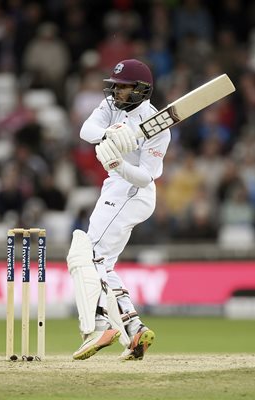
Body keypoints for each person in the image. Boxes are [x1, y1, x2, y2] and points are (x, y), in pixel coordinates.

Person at [66, 59, 171, 361]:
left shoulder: (158, 126)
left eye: (123, 87)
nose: (116, 92)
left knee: (87, 253)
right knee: (103, 264)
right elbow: (87, 129)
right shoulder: (112, 107)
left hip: (133, 191)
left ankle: (100, 325)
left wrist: (120, 166)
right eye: (115, 86)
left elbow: (147, 175)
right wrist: (110, 133)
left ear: (140, 90)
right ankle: (134, 331)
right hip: (114, 188)